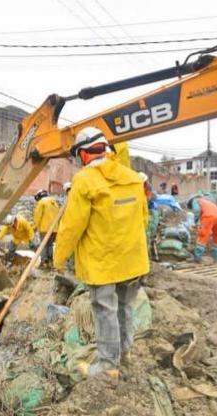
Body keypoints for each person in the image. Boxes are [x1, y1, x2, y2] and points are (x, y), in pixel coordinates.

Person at [54, 126, 149, 380]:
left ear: (83, 154)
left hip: (102, 263)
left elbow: (72, 226)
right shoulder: (132, 178)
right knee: (124, 307)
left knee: (105, 310)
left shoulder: (85, 180)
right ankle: (123, 354)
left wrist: (59, 258)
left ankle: (108, 367)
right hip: (132, 260)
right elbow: (143, 218)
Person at [187, 196, 217, 263]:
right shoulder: (206, 202)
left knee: (203, 235)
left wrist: (195, 221)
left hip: (208, 217)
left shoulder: (195, 201)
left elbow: (197, 211)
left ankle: (197, 257)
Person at [32, 189, 60, 267]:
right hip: (54, 229)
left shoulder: (41, 202)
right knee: (50, 245)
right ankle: (50, 261)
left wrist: (34, 227)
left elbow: (37, 216)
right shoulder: (54, 202)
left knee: (44, 245)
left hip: (45, 228)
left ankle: (44, 262)